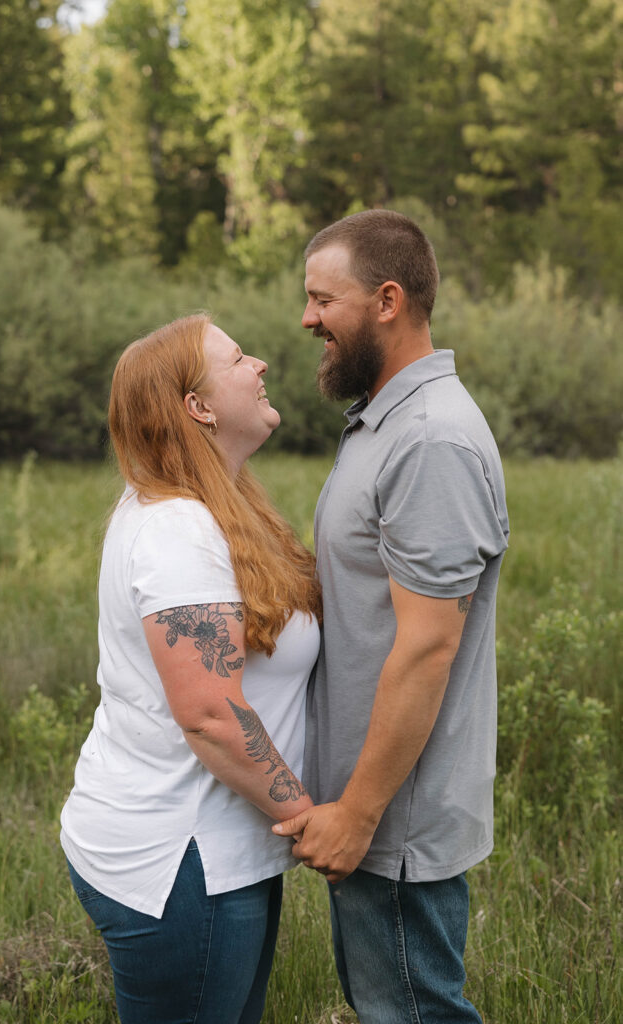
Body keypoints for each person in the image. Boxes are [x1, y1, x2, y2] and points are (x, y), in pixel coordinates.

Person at [273, 209, 510, 1023]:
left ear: (385, 300)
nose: (306, 320)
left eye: (320, 299)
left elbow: (426, 647)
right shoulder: (383, 422)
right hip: (371, 821)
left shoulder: (429, 441)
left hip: (393, 825)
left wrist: (360, 814)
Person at [60, 314, 322, 1024]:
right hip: (180, 862)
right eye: (237, 359)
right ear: (197, 408)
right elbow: (209, 715)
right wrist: (308, 820)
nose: (261, 363)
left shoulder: (214, 505)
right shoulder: (176, 530)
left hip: (212, 852)